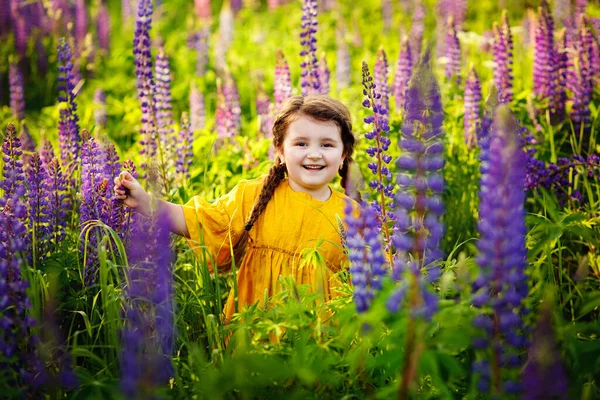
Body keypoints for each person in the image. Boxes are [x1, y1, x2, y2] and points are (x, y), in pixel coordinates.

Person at [114, 95, 359, 324]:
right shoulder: (254, 195)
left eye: (327, 145)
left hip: (322, 342)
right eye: (301, 143)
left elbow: (374, 283)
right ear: (281, 152)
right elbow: (200, 221)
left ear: (342, 155)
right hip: (255, 334)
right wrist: (145, 202)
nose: (314, 154)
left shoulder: (353, 215)